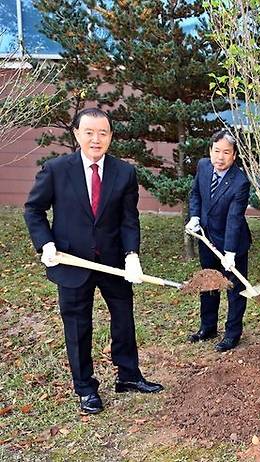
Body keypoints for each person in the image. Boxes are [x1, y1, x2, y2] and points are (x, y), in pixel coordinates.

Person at [24, 108, 163, 415]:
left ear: (111, 137)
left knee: (124, 319)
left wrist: (132, 256)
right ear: (77, 135)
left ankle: (128, 375)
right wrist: (45, 243)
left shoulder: (124, 173)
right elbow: (33, 211)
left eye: (103, 133)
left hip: (112, 262)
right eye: (89, 132)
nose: (96, 139)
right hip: (71, 262)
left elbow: (129, 219)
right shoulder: (56, 170)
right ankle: (85, 388)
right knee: (78, 326)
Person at [185, 129, 252, 352]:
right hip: (207, 239)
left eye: (226, 152)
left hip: (232, 242)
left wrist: (230, 252)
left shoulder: (240, 182)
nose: (219, 157)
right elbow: (195, 194)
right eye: (216, 151)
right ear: (210, 151)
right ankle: (208, 327)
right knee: (209, 283)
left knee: (235, 289)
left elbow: (234, 218)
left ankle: (233, 334)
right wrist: (194, 217)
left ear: (234, 156)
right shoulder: (204, 166)